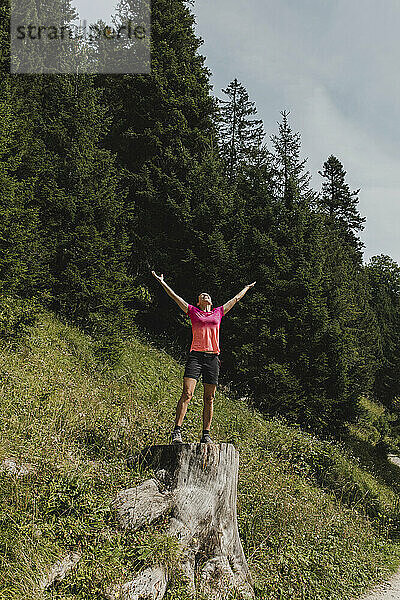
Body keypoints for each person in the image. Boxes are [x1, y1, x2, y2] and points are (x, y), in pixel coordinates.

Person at [151, 271, 256, 444]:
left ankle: (205, 435)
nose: (205, 295)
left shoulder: (218, 312)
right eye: (201, 296)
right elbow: (174, 296)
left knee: (209, 398)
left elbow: (236, 299)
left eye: (207, 295)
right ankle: (177, 431)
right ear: (198, 302)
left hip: (212, 358)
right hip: (196, 357)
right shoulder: (193, 311)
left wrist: (246, 288)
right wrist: (162, 282)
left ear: (211, 301)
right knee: (187, 393)